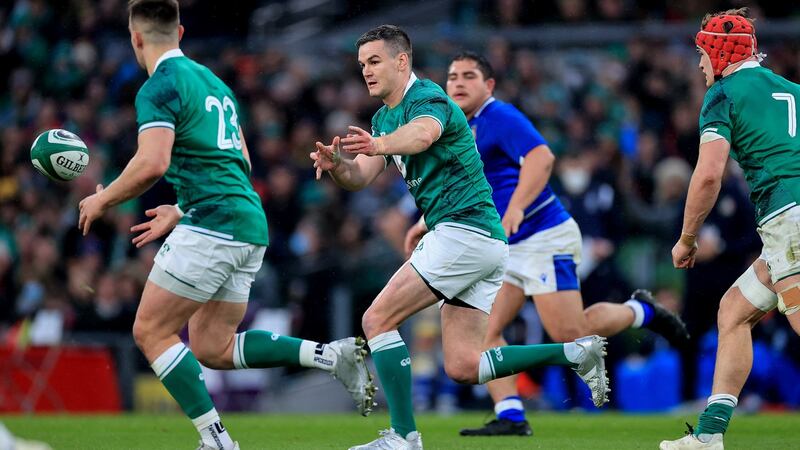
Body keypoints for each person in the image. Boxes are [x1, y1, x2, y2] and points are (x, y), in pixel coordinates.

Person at [77, 2, 374, 449]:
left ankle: (216, 441)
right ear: (179, 31)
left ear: (136, 38)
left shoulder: (159, 86)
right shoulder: (214, 82)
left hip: (214, 222)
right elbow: (240, 162)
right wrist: (181, 209)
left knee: (150, 331)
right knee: (213, 347)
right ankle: (333, 355)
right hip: (247, 222)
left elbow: (152, 162)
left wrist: (102, 197)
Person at [310, 25, 609, 450]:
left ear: (401, 61)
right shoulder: (382, 117)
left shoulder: (429, 98)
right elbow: (360, 177)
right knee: (465, 365)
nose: (366, 72)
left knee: (376, 320)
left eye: (374, 61)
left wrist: (377, 145)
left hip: (462, 232)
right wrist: (339, 164)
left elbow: (422, 135)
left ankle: (403, 436)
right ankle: (576, 353)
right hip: (478, 240)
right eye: (362, 65)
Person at [438, 52, 691, 437]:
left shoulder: (498, 116)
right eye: (452, 75)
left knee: (570, 335)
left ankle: (643, 312)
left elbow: (542, 158)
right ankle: (510, 416)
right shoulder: (462, 128)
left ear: (488, 86)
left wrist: (518, 207)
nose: (457, 82)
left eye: (468, 75)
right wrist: (425, 222)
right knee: (486, 333)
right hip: (508, 247)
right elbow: (467, 188)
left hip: (543, 236)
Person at [660, 8, 800, 450]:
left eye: (702, 53)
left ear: (719, 53)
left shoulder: (723, 94)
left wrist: (686, 238)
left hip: (789, 218)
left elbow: (707, 175)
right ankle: (709, 435)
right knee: (734, 310)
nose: (700, 64)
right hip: (788, 222)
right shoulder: (792, 90)